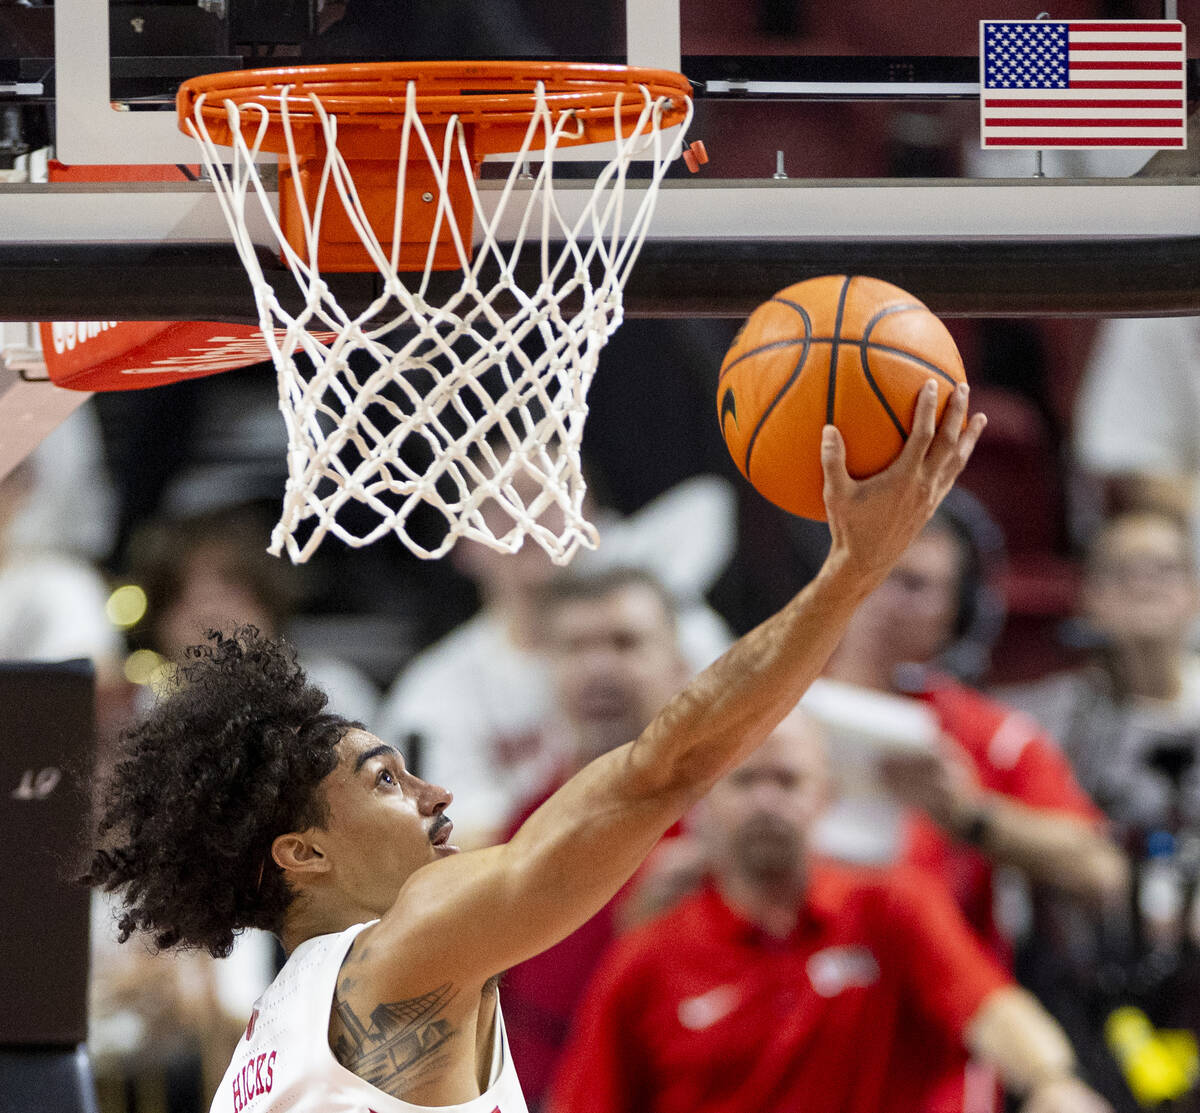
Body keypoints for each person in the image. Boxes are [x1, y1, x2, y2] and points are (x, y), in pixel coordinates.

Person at [84, 382, 983, 1113]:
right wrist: (853, 571)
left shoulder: (267, 1037)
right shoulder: (403, 948)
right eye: (386, 779)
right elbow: (656, 773)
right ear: (304, 850)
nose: (436, 795)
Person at [549, 707, 1111, 1113]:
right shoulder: (651, 953)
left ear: (826, 797)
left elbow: (992, 1009)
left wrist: (1052, 1083)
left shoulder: (892, 907)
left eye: (788, 779)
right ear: (702, 803)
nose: (768, 799)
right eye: (745, 781)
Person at [818, 499, 1128, 958]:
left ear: (957, 617)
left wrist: (972, 817)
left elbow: (1102, 871)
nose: (879, 594)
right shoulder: (766, 709)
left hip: (938, 989)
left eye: (914, 584)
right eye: (870, 569)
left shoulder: (985, 734)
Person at [376, 472, 735, 849]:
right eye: (503, 505)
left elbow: (712, 499)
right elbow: (442, 845)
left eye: (547, 498)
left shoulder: (689, 628)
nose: (527, 521)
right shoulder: (434, 695)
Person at [998, 509, 1200, 1111]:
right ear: (1089, 600)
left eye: (1165, 568)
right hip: (1090, 985)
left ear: (1194, 591)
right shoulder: (1045, 718)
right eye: (1122, 573)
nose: (1146, 583)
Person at [496, 566, 692, 1108]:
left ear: (680, 666)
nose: (599, 669)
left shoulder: (729, 818)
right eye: (575, 648)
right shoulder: (522, 832)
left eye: (625, 644)